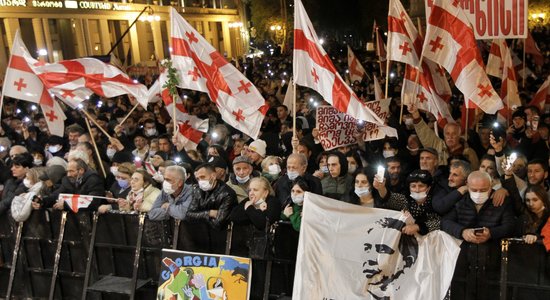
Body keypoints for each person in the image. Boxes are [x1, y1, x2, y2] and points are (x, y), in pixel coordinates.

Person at [441, 171, 516, 243]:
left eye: (484, 190)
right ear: (467, 185)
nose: (478, 193)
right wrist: (463, 232)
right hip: (464, 247)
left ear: (491, 185)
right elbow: (445, 222)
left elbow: (510, 226)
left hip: (492, 248)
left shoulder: (501, 200)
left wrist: (491, 233)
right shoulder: (461, 200)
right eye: (474, 190)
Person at [375, 169, 441, 235]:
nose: (417, 190)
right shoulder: (407, 200)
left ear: (428, 188)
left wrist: (418, 227)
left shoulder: (436, 202)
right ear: (409, 188)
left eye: (421, 186)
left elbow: (441, 222)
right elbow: (389, 197)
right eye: (413, 186)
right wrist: (381, 188)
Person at [186, 163, 237, 230]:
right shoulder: (198, 190)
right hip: (201, 234)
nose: (200, 181)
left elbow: (218, 223)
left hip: (220, 236)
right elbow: (188, 215)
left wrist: (198, 215)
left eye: (202, 177)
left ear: (213, 176)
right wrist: (209, 213)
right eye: (198, 179)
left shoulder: (227, 193)